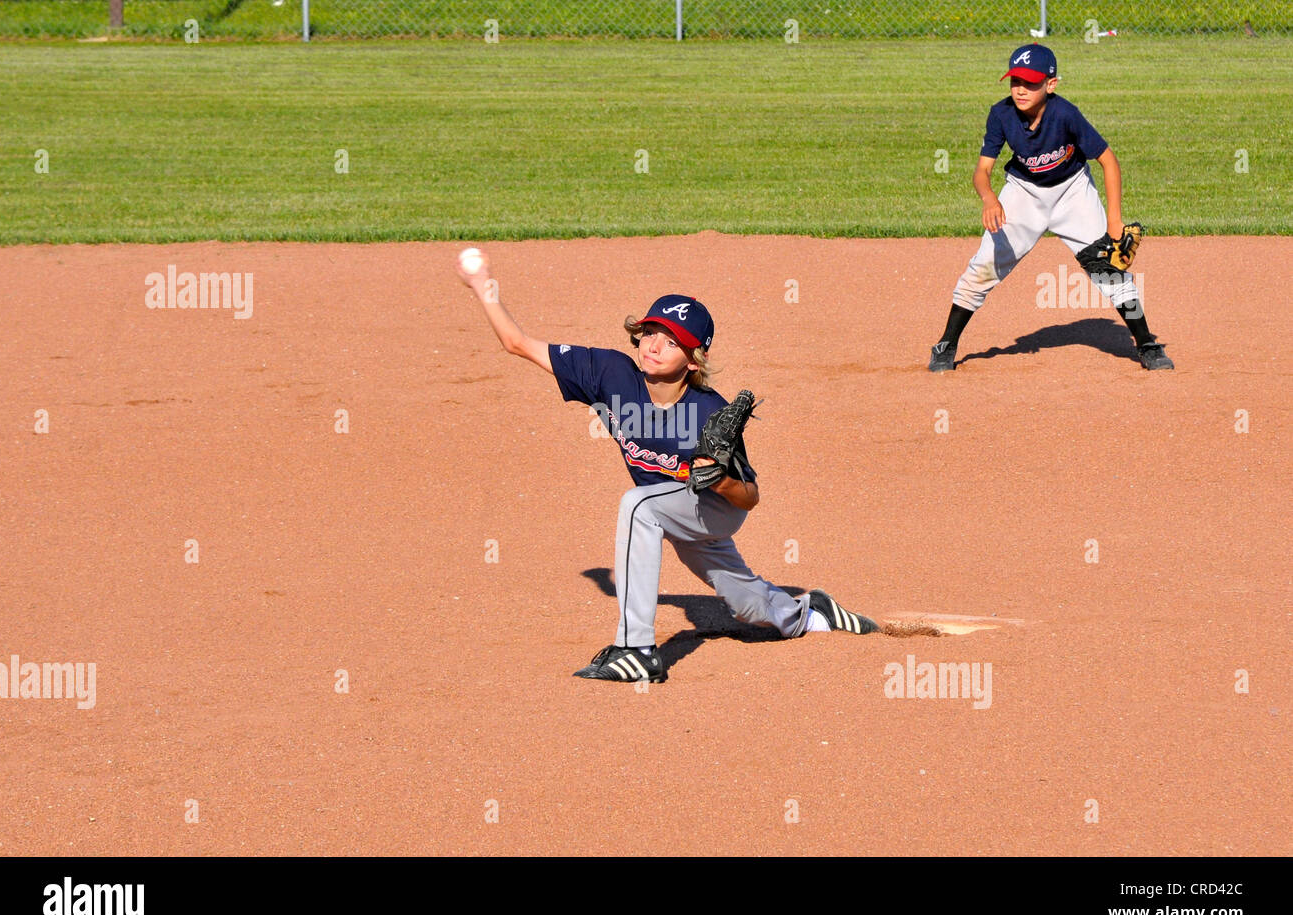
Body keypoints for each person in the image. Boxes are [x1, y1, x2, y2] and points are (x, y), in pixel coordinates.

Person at [455, 249, 879, 683]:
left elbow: (749, 498)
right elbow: (517, 344)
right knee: (747, 605)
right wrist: (482, 284)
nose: (654, 346)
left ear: (694, 360)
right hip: (670, 509)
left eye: (671, 341)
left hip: (713, 506)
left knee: (637, 506)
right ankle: (808, 613)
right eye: (651, 332)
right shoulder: (608, 372)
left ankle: (635, 648)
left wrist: (722, 479)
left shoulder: (708, 413)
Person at [929, 43, 1174, 372]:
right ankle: (947, 343)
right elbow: (982, 171)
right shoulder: (1000, 114)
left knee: (1106, 267)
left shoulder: (1065, 113)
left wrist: (1114, 221)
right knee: (983, 267)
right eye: (1015, 81)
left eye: (1030, 82)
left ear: (1051, 84)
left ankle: (1146, 344)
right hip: (1023, 194)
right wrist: (989, 198)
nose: (1020, 89)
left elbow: (1108, 161)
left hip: (1073, 192)